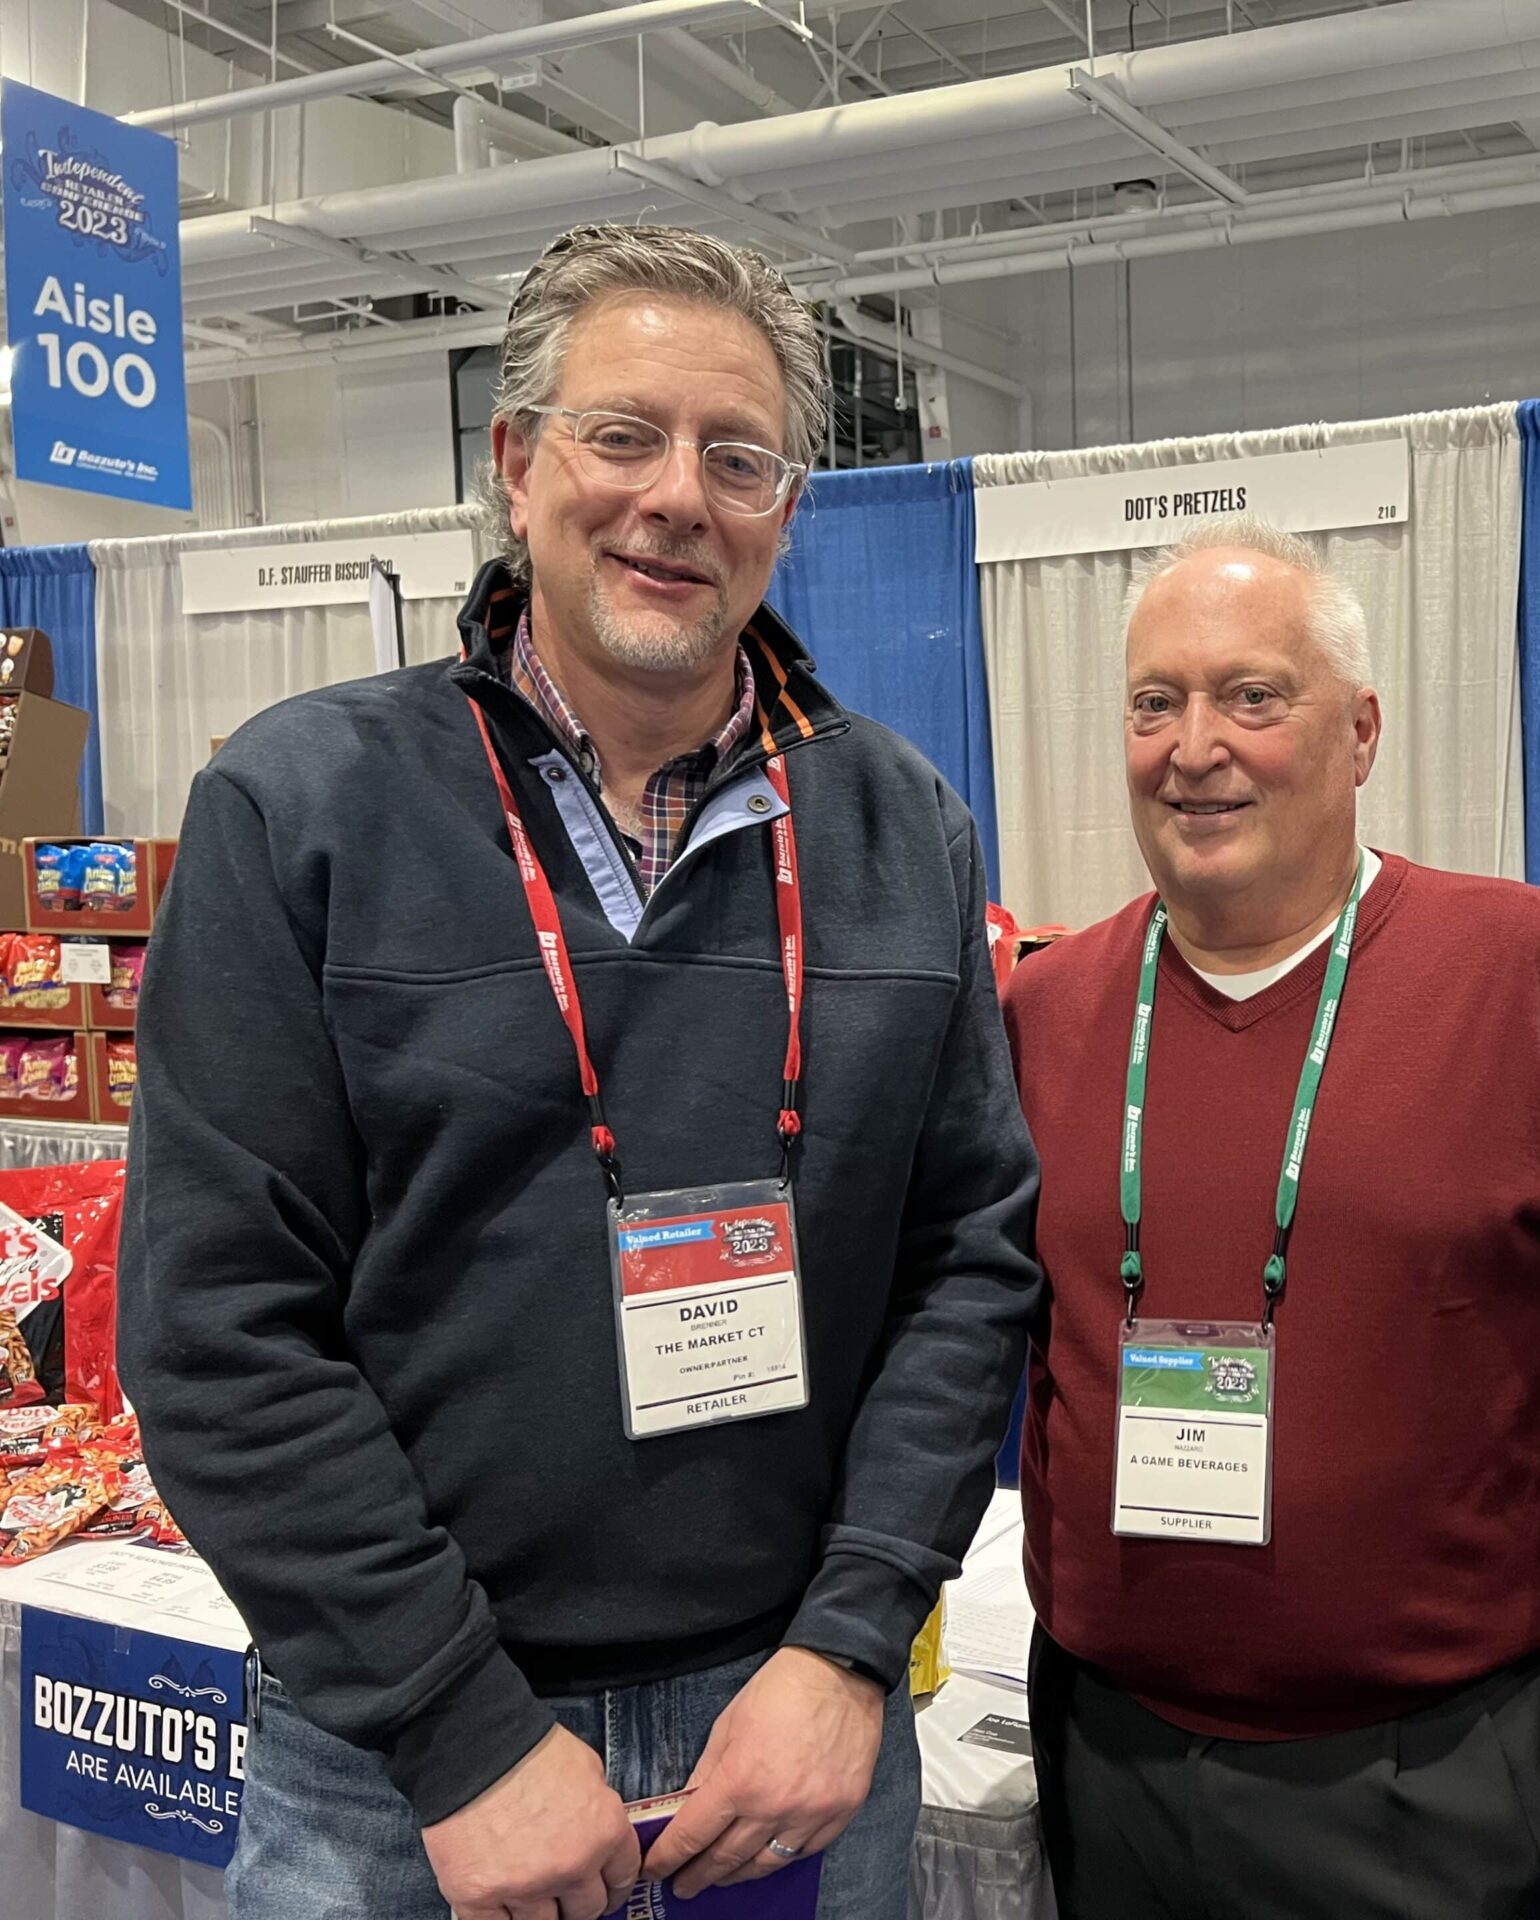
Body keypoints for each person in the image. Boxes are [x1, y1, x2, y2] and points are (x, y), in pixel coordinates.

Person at [121, 224, 1042, 1920]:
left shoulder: (900, 827)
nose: (677, 497)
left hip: (791, 1741)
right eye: (624, 434)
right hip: (398, 1781)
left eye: (737, 456)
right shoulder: (302, 809)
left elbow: (969, 1265)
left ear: (786, 508)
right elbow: (216, 1327)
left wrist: (854, 1642)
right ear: (517, 462)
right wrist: (460, 1734)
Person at [1001, 518, 1540, 1920]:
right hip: (1111, 1760)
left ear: (1360, 733)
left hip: (1436, 1780)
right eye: (1155, 704)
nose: (1193, 748)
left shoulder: (1529, 977)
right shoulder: (1044, 1015)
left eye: (1252, 696)